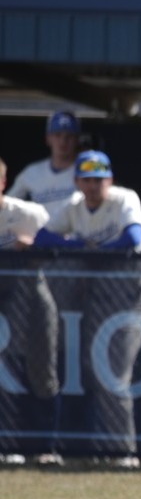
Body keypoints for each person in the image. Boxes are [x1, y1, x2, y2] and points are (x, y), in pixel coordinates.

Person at [33, 151, 141, 466]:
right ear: (77, 182)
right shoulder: (74, 205)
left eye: (99, 179)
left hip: (126, 302)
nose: (94, 185)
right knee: (95, 374)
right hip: (94, 302)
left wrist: (96, 252)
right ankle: (103, 448)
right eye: (88, 179)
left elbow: (134, 236)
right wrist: (79, 247)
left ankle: (124, 452)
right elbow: (42, 237)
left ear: (109, 180)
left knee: (115, 376)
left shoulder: (124, 199)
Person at [0, 156, 56, 463]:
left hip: (30, 297)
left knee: (41, 371)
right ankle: (8, 447)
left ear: (3, 183)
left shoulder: (26, 213)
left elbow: (58, 234)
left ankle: (44, 448)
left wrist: (34, 243)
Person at [7, 111, 85, 220]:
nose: (63, 141)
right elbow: (7, 204)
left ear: (77, 139)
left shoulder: (86, 170)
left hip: (75, 234)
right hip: (42, 234)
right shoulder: (32, 172)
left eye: (69, 136)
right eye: (57, 135)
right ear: (48, 138)